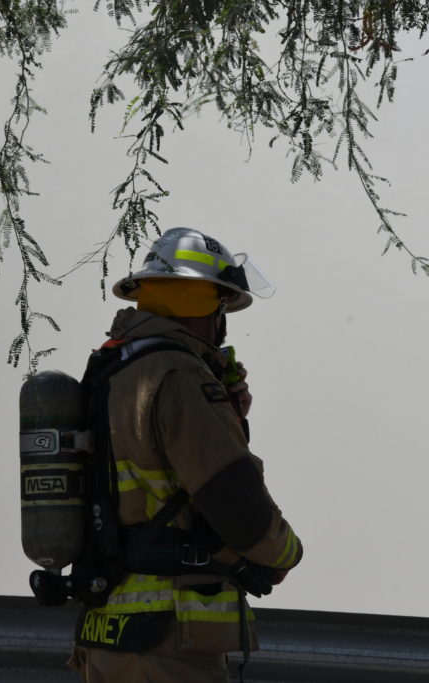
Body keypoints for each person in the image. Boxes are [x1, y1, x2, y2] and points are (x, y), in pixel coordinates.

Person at [67, 227, 303, 682]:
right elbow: (232, 495)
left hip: (109, 629)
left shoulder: (113, 367)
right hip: (166, 640)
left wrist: (229, 416)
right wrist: (283, 555)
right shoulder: (179, 374)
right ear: (210, 306)